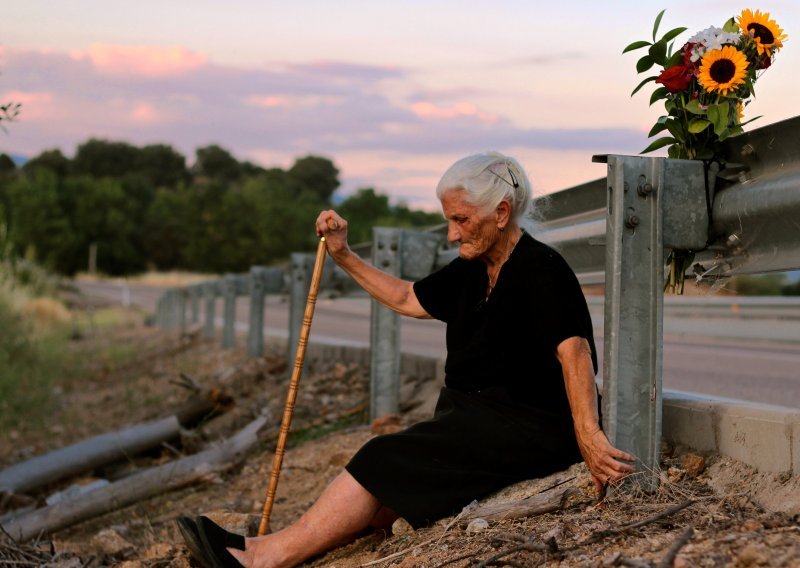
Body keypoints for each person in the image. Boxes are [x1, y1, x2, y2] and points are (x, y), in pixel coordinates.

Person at [179, 151, 636, 568]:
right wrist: (344, 254)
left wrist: (589, 436)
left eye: (461, 219)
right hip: (474, 420)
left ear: (501, 213)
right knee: (384, 498)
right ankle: (264, 546)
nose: (453, 233)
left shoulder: (541, 268)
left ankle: (261, 559)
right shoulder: (471, 267)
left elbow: (573, 352)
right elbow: (405, 297)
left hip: (525, 428)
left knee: (382, 456)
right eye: (448, 220)